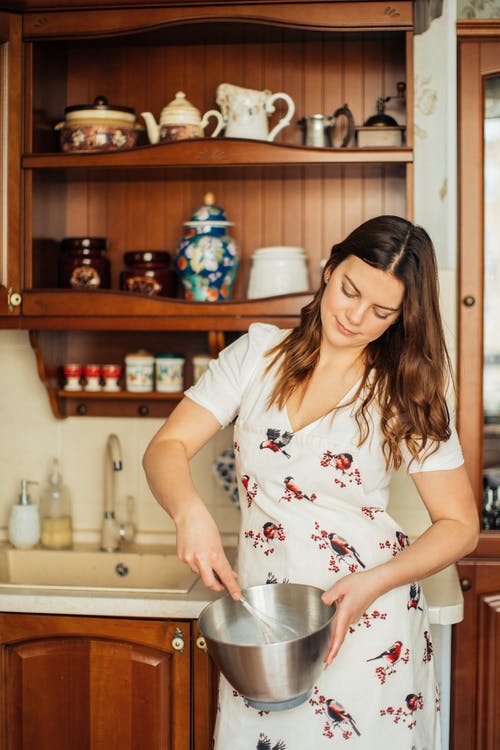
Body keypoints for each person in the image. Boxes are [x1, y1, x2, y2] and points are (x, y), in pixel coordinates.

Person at [143, 215, 479, 749]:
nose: (356, 316)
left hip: (370, 623)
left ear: (401, 317)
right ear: (329, 270)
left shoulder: (406, 386)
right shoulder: (256, 356)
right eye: (350, 290)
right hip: (265, 633)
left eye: (382, 311)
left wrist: (375, 582)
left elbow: (460, 525)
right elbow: (167, 446)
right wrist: (189, 511)